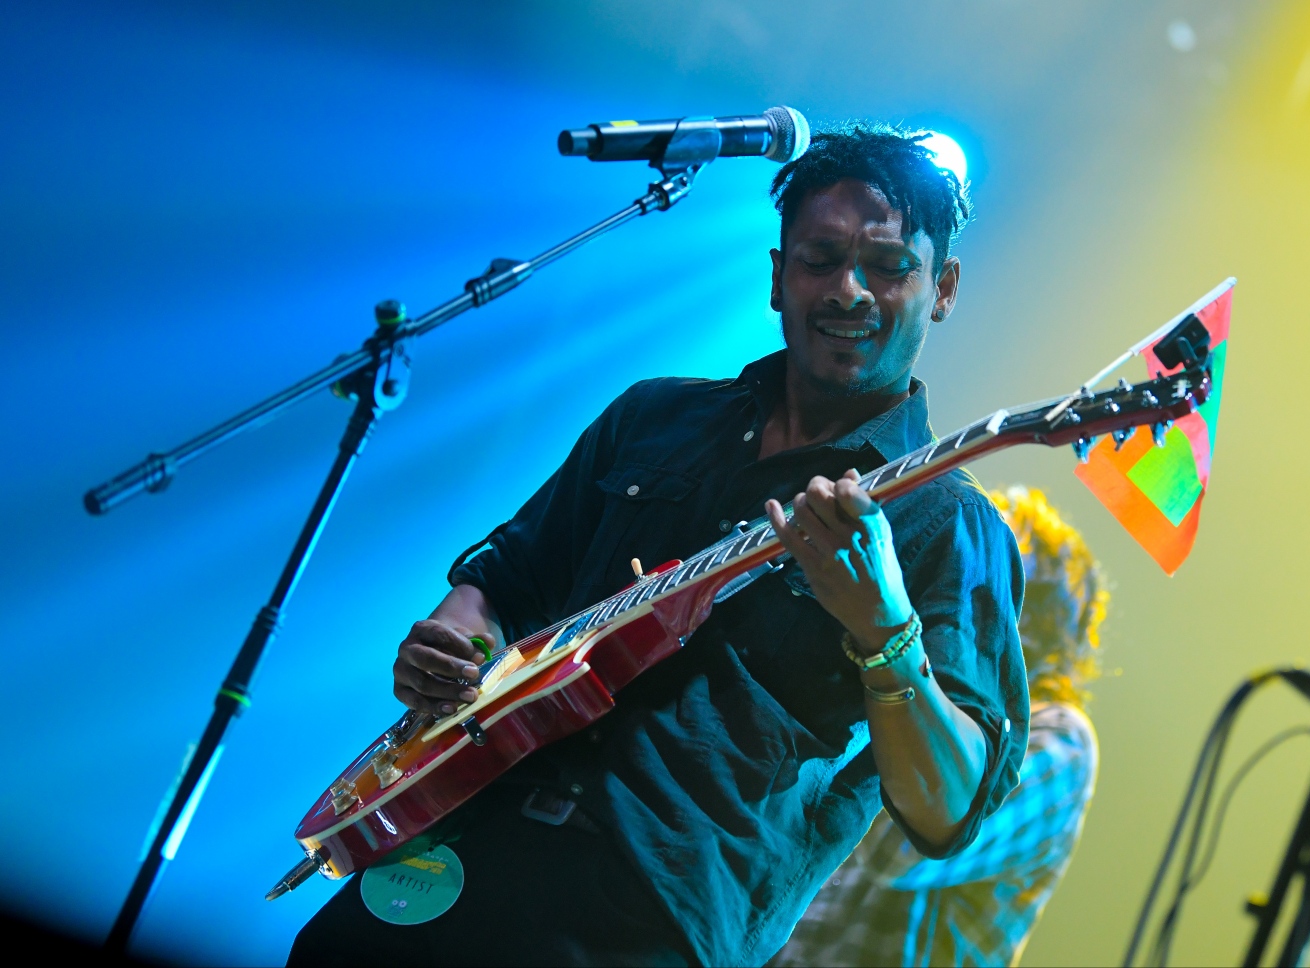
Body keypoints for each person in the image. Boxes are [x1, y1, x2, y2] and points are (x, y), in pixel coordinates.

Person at [288, 123, 1029, 967]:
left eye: (889, 266)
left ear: (943, 288)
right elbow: (504, 581)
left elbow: (949, 809)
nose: (849, 290)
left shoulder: (946, 521)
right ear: (777, 278)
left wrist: (886, 630)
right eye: (820, 259)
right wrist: (453, 645)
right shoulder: (654, 415)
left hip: (643, 922)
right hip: (448, 850)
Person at [772, 485, 1107, 968]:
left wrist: (894, 658)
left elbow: (903, 850)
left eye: (985, 558)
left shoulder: (1062, 738)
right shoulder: (895, 669)